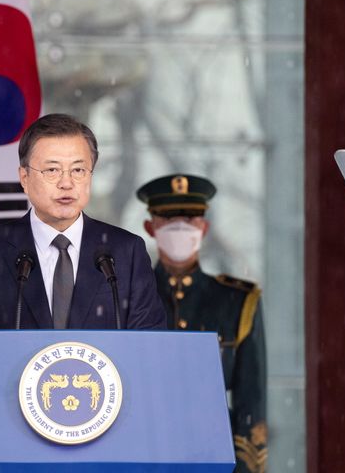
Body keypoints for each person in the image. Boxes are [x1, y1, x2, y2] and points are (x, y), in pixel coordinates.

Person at [0, 113, 166, 330]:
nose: (66, 183)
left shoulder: (127, 252)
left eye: (78, 170)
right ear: (24, 178)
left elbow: (148, 348)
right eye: (52, 170)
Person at [137, 174, 267, 473]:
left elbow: (251, 400)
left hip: (213, 452)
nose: (180, 226)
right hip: (143, 448)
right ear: (150, 227)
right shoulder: (129, 297)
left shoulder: (236, 301)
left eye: (191, 218)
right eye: (168, 218)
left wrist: (248, 467)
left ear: (204, 228)